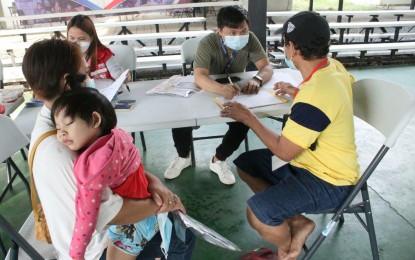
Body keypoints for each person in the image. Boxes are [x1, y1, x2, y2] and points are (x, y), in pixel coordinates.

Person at [23, 39, 195, 260]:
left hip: (101, 230)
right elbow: (110, 213)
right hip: (94, 250)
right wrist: (163, 204)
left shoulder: (65, 121)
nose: (91, 80)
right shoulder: (61, 148)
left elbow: (116, 168)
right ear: (68, 83)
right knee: (183, 235)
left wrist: (153, 183)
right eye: (86, 75)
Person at [223, 11, 359, 259]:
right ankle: (298, 222)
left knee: (258, 215)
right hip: (310, 161)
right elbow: (332, 101)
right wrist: (298, 92)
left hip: (330, 180)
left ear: (292, 48)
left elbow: (284, 150)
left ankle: (287, 250)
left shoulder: (315, 94)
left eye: (284, 42)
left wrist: (248, 118)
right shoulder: (333, 68)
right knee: (246, 164)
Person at [51, 88, 183, 259]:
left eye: (68, 125)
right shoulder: (118, 135)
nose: (61, 134)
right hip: (145, 209)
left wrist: (76, 254)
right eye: (58, 128)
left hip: (132, 225)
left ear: (95, 119)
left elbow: (87, 217)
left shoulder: (93, 168)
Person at [164, 6, 274, 185]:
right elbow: (199, 76)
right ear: (219, 31)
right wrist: (221, 89)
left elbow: (267, 67)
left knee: (243, 119)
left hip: (235, 92)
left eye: (243, 31)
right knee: (180, 118)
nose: (239, 36)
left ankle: (219, 159)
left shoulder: (251, 39)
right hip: (207, 91)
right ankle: (183, 155)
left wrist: (257, 80)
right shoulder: (207, 43)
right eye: (232, 32)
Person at [67, 15, 132, 83]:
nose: (77, 43)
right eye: (72, 38)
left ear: (91, 38)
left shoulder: (103, 54)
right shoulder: (65, 57)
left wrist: (122, 77)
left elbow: (116, 71)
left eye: (81, 39)